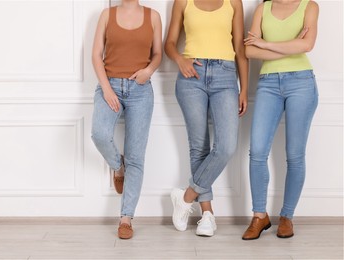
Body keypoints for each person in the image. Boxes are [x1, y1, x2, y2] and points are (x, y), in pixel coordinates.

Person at [164, 0, 249, 236]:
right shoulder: (182, 2)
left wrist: (243, 89)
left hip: (226, 76)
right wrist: (180, 60)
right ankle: (207, 215)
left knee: (226, 146)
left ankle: (185, 197)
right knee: (198, 148)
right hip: (191, 76)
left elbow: (240, 49)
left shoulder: (234, 2)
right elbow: (169, 44)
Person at [242, 0, 319, 240]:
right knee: (257, 152)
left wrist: (265, 43)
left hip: (301, 83)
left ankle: (287, 216)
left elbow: (307, 45)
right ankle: (259, 215)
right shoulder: (263, 9)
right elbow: (249, 51)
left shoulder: (310, 6)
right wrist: (290, 46)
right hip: (268, 84)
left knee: (295, 155)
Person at [91, 0, 162, 239]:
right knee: (99, 134)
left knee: (136, 157)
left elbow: (158, 54)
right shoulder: (106, 15)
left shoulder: (153, 16)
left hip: (141, 90)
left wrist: (149, 71)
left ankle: (126, 218)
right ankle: (117, 166)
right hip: (109, 85)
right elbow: (95, 55)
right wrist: (107, 89)